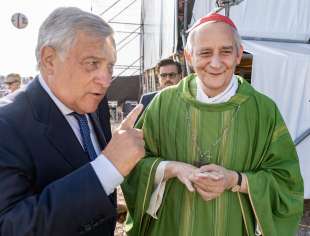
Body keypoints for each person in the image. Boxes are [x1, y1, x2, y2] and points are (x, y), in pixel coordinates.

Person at [122, 13, 304, 235]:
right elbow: (131, 168)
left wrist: (236, 180)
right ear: (189, 56)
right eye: (205, 53)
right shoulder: (163, 104)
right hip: (172, 225)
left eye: (226, 51)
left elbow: (287, 183)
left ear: (239, 54)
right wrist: (171, 168)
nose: (215, 63)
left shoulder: (263, 110)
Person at [0, 7, 145, 236]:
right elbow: (12, 227)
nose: (106, 80)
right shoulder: (6, 124)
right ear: (49, 60)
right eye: (92, 63)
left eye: (110, 66)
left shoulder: (93, 104)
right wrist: (107, 169)